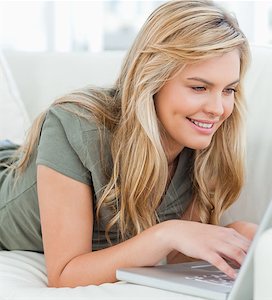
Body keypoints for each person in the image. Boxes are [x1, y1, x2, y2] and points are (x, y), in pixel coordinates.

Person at [0, 0, 257, 288]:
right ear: (152, 79)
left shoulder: (202, 140)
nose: (218, 108)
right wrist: (166, 233)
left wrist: (236, 236)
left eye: (229, 90)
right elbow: (65, 274)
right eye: (199, 87)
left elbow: (175, 257)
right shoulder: (76, 125)